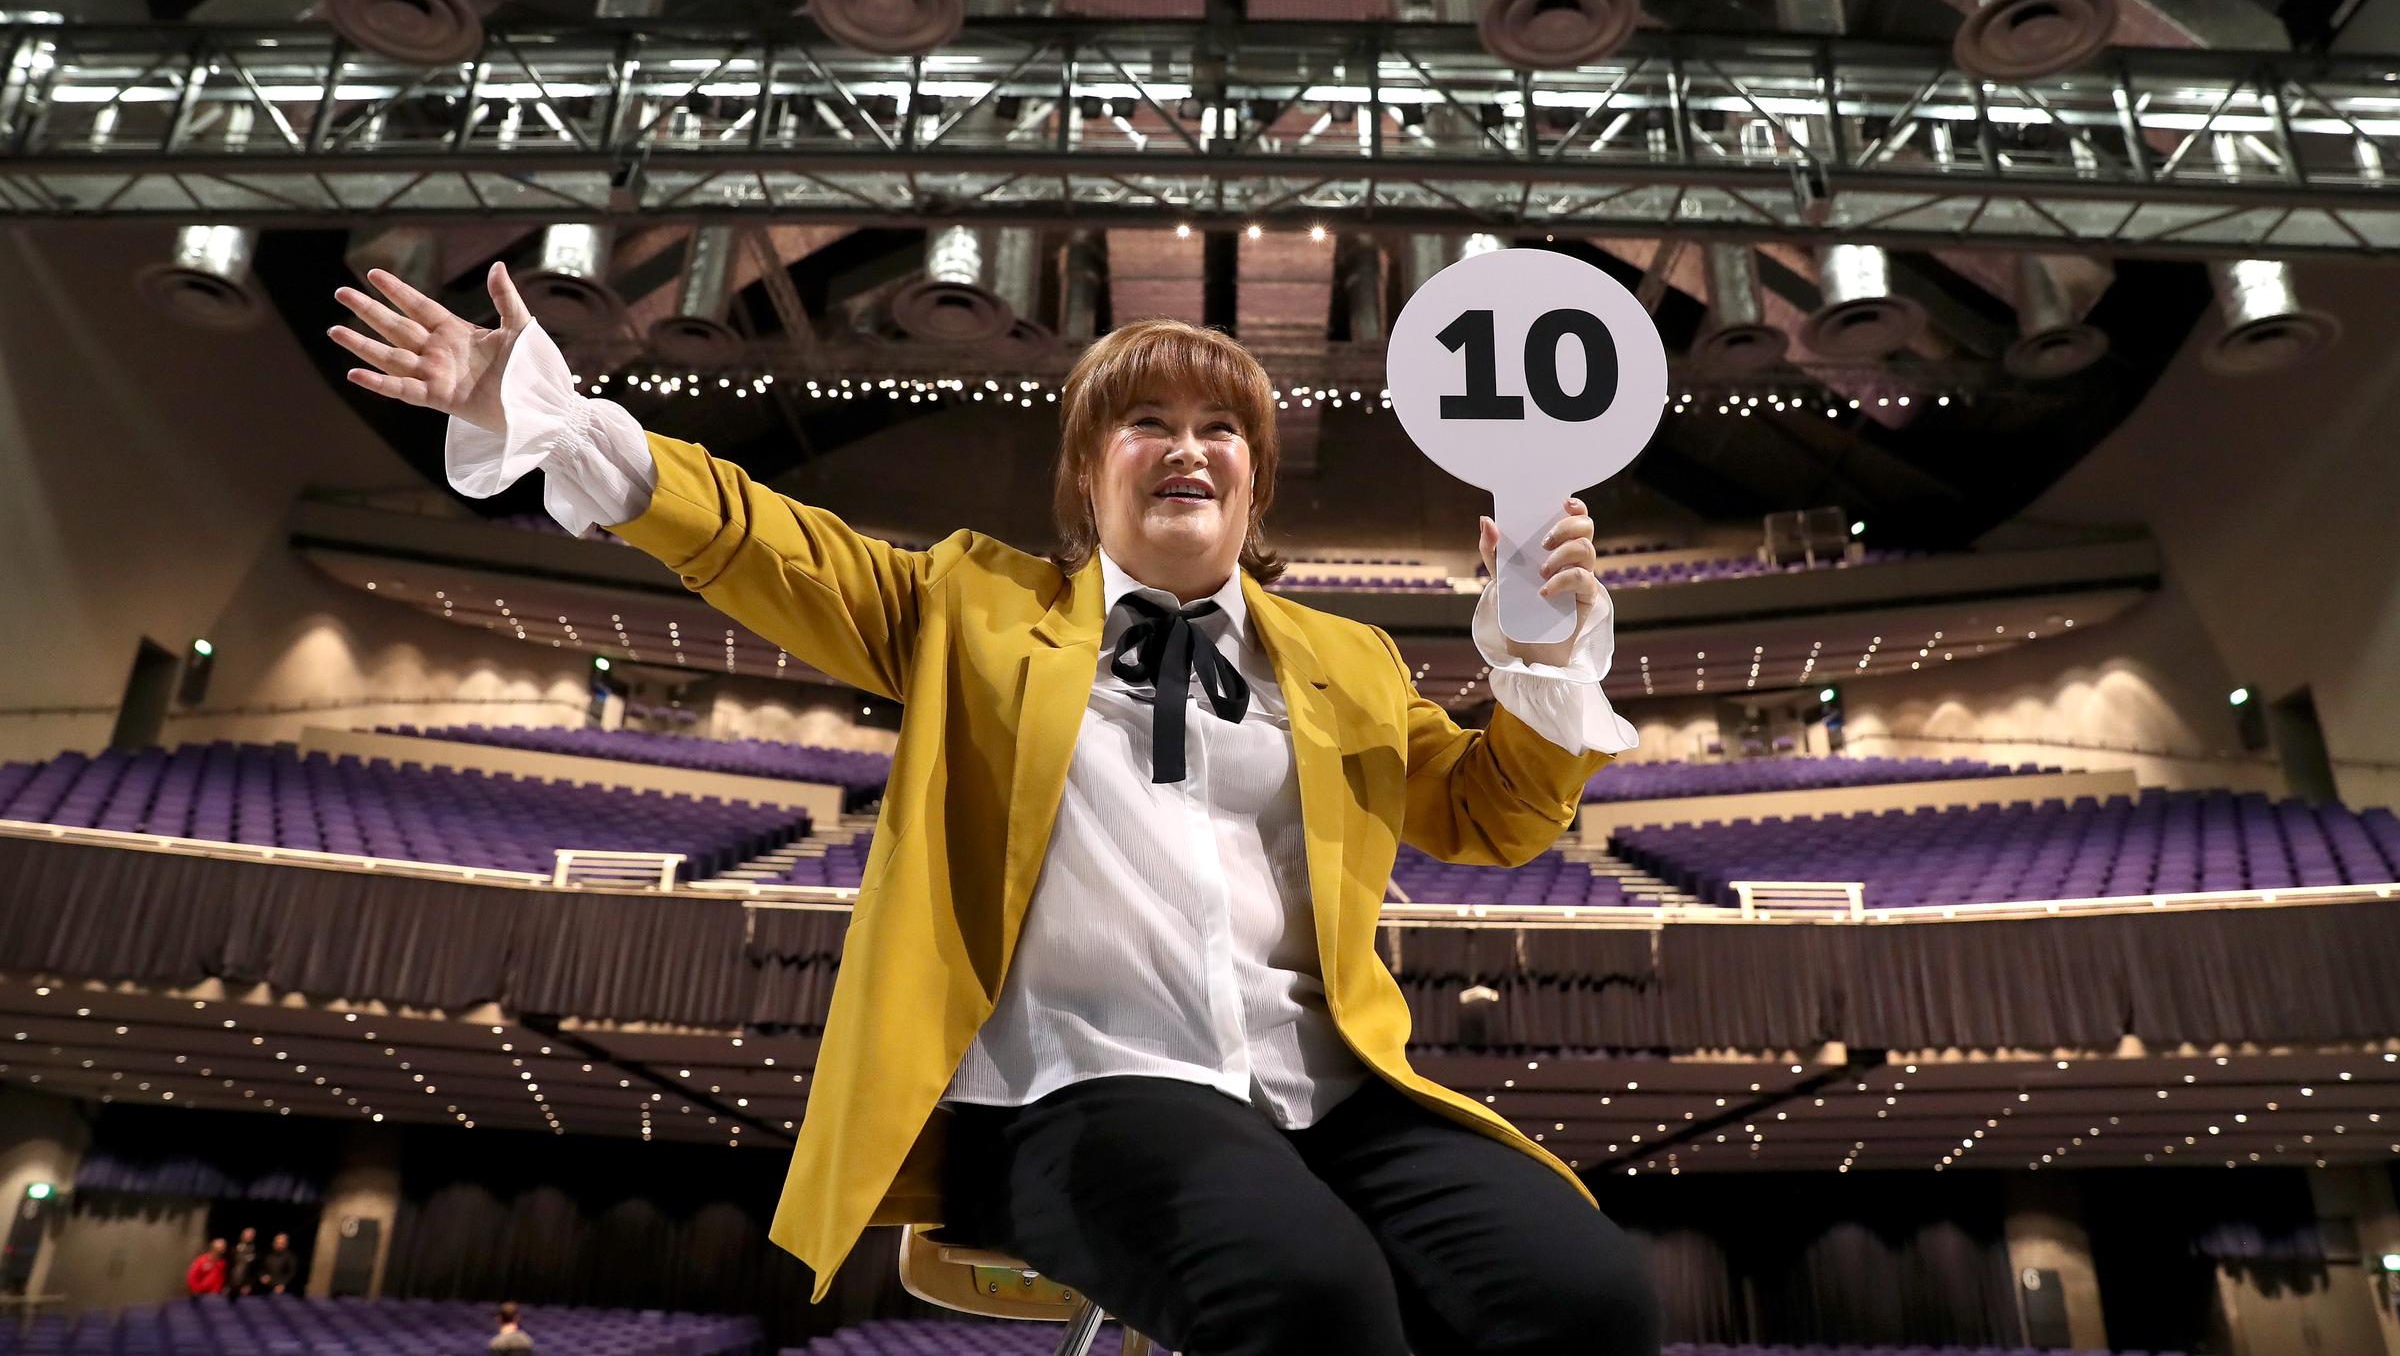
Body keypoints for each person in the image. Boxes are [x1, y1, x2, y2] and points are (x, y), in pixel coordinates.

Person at [330, 264, 1660, 1356]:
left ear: (1255, 479)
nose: (1186, 447)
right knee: (1309, 1293)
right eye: (1147, 422)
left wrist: (1543, 663)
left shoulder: (1347, 659)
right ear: (1086, 475)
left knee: (1591, 1297)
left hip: (1330, 1089)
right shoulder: (972, 605)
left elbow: (1494, 816)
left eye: (1220, 429)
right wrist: (554, 415)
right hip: (1081, 1087)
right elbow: (752, 535)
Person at [226, 1226, 258, 1296]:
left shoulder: (255, 1251)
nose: (249, 1236)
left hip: (244, 1286)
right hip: (230, 1283)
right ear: (242, 1235)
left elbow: (254, 1271)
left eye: (251, 1235)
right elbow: (227, 1266)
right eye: (247, 1234)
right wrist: (226, 1284)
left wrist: (249, 1285)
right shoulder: (233, 1248)